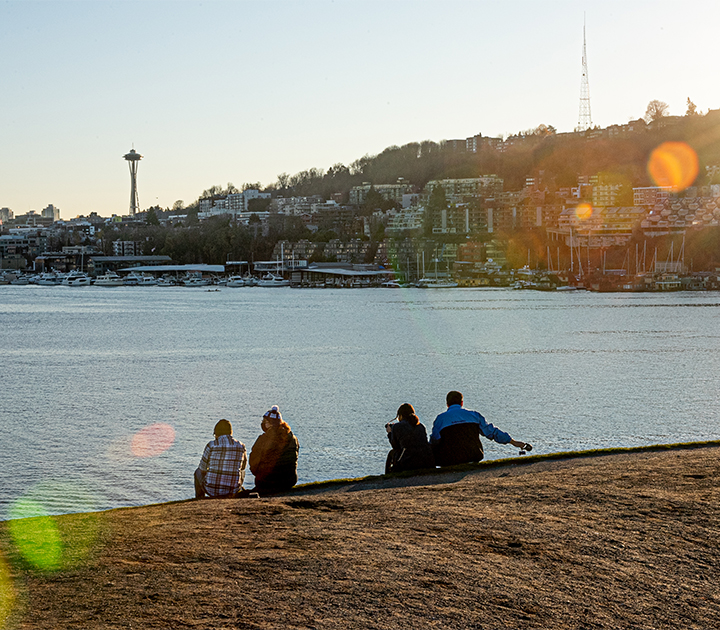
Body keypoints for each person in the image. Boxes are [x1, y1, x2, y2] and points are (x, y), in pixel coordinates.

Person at [430, 391, 532, 467]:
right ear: (462, 403)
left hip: (450, 459)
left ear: (447, 404)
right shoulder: (474, 415)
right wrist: (513, 442)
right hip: (473, 455)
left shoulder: (441, 419)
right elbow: (492, 432)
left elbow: (434, 441)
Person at [249, 406, 299, 496]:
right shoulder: (292, 438)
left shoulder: (263, 439)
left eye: (265, 422)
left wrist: (259, 474)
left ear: (270, 424)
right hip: (289, 480)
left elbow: (254, 462)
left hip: (266, 482)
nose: (262, 424)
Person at [195, 419, 247, 499]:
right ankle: (234, 490)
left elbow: (202, 469)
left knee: (197, 472)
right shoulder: (241, 446)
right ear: (230, 431)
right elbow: (243, 467)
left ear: (216, 433)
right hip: (232, 490)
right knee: (242, 472)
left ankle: (200, 498)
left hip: (211, 490)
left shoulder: (211, 445)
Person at [385, 403, 435, 474]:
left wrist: (390, 433)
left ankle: (388, 476)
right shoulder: (420, 426)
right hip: (426, 461)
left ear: (401, 415)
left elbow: (395, 446)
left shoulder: (397, 427)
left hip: (408, 462)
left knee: (391, 453)